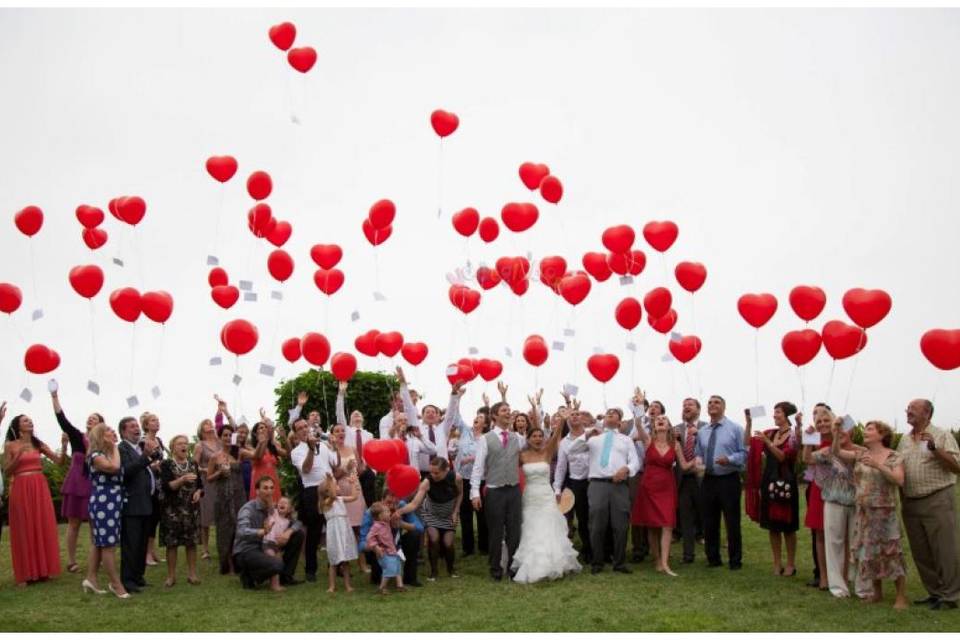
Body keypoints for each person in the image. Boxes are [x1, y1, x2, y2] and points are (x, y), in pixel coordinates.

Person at [830, 420, 908, 609]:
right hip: (864, 512)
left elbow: (899, 480)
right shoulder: (861, 454)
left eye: (870, 429)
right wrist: (836, 433)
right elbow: (837, 452)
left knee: (891, 553)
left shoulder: (893, 456)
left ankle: (901, 597)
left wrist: (878, 465)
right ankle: (877, 592)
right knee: (869, 552)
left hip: (884, 512)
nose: (865, 432)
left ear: (882, 434)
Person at [898, 398, 960, 610]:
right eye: (908, 409)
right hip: (911, 501)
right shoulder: (904, 441)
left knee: (944, 548)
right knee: (920, 550)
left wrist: (935, 449)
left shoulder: (942, 435)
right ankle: (934, 592)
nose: (908, 411)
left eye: (913, 408)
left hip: (937, 498)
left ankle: (951, 595)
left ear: (927, 413)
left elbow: (956, 467)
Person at [512, 394, 580, 583]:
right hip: (530, 496)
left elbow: (557, 434)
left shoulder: (547, 452)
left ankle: (553, 563)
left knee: (548, 527)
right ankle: (530, 562)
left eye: (540, 436)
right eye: (534, 436)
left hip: (545, 495)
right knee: (531, 528)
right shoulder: (522, 455)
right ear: (528, 438)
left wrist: (563, 419)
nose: (537, 438)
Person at [804, 414, 871, 599]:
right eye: (836, 431)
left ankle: (861, 586)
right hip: (833, 502)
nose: (839, 433)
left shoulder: (861, 451)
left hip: (857, 503)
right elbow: (807, 459)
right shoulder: (826, 451)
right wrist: (809, 440)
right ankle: (838, 587)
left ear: (851, 431)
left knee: (858, 544)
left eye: (843, 430)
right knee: (834, 545)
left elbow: (845, 456)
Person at [569, 403, 641, 575]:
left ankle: (619, 562)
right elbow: (573, 450)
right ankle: (597, 562)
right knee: (596, 525)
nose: (610, 414)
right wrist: (587, 434)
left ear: (619, 422)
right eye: (608, 412)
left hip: (619, 486)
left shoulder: (626, 440)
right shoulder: (594, 438)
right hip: (597, 485)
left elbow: (635, 462)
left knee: (621, 525)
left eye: (614, 413)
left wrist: (627, 469)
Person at [3, 406, 65, 585]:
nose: (29, 422)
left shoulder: (38, 444)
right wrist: (17, 456)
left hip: (39, 486)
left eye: (30, 420)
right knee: (24, 526)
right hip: (21, 486)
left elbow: (59, 462)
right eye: (25, 420)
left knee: (41, 523)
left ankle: (43, 570)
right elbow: (7, 470)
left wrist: (64, 444)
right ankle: (26, 572)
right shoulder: (10, 445)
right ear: (17, 426)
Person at [631, 416, 695, 576]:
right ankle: (657, 560)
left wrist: (695, 461)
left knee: (667, 524)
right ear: (654, 425)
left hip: (667, 487)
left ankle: (665, 563)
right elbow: (638, 424)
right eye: (658, 419)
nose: (660, 420)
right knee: (652, 526)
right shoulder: (647, 441)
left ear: (669, 426)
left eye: (664, 419)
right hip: (649, 487)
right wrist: (638, 407)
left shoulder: (676, 445)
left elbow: (685, 466)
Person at [470, 399, 525, 581]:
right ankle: (495, 568)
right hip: (494, 491)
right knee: (495, 532)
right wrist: (475, 493)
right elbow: (478, 467)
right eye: (504, 410)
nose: (508, 413)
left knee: (515, 532)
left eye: (509, 410)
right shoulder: (485, 439)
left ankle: (513, 567)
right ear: (494, 415)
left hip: (514, 490)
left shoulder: (518, 438)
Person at [745, 402, 801, 577]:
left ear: (787, 416)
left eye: (778, 412)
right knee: (773, 527)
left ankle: (791, 564)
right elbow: (748, 442)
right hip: (769, 482)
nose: (775, 415)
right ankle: (777, 563)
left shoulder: (792, 436)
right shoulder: (771, 432)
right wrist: (749, 423)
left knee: (788, 527)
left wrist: (768, 443)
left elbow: (784, 456)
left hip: (786, 484)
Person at [50, 385, 101, 574]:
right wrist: (54, 396)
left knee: (96, 522)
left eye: (95, 419)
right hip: (77, 481)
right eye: (89, 418)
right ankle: (71, 561)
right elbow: (62, 420)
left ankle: (99, 556)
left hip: (95, 483)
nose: (90, 419)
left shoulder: (105, 443)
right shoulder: (77, 436)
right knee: (74, 523)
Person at [695, 395, 746, 570]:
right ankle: (713, 558)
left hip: (728, 479)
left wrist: (730, 459)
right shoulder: (703, 431)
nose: (712, 405)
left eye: (716, 402)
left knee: (732, 521)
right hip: (708, 480)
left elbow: (744, 453)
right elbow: (698, 452)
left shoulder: (735, 429)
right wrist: (698, 461)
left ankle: (735, 560)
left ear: (724, 407)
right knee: (709, 521)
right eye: (709, 402)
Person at [288, 416, 340, 583]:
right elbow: (306, 469)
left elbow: (336, 464)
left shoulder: (323, 445)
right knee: (315, 531)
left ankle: (337, 566)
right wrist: (311, 449)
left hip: (330, 488)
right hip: (312, 491)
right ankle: (311, 570)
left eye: (305, 426)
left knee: (334, 527)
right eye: (300, 428)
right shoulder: (296, 452)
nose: (304, 429)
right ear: (296, 434)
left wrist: (336, 448)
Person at [233, 476, 305, 589]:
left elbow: (297, 523)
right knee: (277, 564)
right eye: (265, 488)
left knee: (298, 534)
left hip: (266, 546)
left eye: (271, 488)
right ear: (257, 491)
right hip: (247, 549)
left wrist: (288, 532)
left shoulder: (273, 508)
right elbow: (241, 531)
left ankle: (285, 577)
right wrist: (261, 532)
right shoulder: (248, 509)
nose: (269, 491)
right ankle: (249, 575)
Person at [83, 423, 129, 598]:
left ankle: (91, 578)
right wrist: (115, 447)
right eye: (109, 431)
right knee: (108, 545)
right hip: (104, 502)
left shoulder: (106, 454)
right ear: (101, 436)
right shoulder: (96, 455)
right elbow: (113, 468)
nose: (113, 432)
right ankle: (116, 585)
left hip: (112, 500)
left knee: (99, 542)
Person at [118, 415, 158, 593]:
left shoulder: (139, 448)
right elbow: (127, 471)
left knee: (142, 543)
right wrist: (145, 457)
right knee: (131, 544)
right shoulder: (122, 449)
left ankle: (138, 576)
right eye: (132, 427)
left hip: (145, 502)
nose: (137, 429)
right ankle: (127, 580)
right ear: (123, 431)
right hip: (132, 504)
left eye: (137, 426)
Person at [159, 434, 203, 587]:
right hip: (172, 510)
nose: (183, 446)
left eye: (185, 443)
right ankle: (171, 576)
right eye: (179, 444)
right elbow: (167, 486)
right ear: (172, 447)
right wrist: (182, 480)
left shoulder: (193, 464)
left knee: (191, 543)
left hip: (191, 510)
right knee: (172, 544)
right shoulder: (167, 464)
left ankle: (192, 574)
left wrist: (199, 493)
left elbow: (200, 486)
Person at [359, 489, 426, 588]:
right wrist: (375, 547)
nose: (392, 507)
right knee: (377, 579)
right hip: (379, 548)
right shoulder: (372, 512)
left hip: (396, 545)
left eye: (396, 503)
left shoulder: (402, 507)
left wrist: (402, 524)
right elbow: (361, 543)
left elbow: (420, 528)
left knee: (414, 536)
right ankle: (378, 575)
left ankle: (410, 578)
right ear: (382, 500)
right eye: (388, 503)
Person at [329, 422, 369, 573]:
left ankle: (362, 564)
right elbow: (332, 475)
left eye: (342, 431)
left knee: (359, 527)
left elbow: (358, 470)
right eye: (337, 431)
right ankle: (343, 565)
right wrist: (346, 468)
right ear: (332, 434)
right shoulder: (330, 451)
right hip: (341, 491)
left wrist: (361, 467)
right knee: (344, 528)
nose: (340, 433)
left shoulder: (352, 449)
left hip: (355, 487)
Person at [554, 405, 592, 564]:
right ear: (568, 419)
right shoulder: (564, 442)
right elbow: (561, 466)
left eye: (577, 414)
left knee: (596, 517)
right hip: (576, 482)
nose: (575, 416)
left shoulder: (593, 435)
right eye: (572, 415)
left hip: (594, 481)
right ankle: (588, 549)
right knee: (582, 519)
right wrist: (557, 487)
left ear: (583, 418)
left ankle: (602, 549)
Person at [207, 422, 246, 574]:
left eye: (230, 435)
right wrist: (219, 473)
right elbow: (209, 478)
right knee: (224, 530)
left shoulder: (238, 453)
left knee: (239, 528)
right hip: (223, 495)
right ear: (220, 437)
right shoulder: (215, 457)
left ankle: (239, 562)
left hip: (239, 494)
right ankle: (226, 564)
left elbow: (256, 455)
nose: (228, 438)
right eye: (225, 435)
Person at [802, 404, 833, 589]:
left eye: (825, 419)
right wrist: (808, 438)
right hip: (818, 489)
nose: (822, 423)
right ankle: (823, 576)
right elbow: (806, 459)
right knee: (819, 534)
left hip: (839, 491)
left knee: (838, 535)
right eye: (818, 420)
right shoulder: (815, 439)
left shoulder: (842, 436)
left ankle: (839, 575)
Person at [419, 456, 463, 581]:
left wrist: (456, 511)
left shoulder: (456, 478)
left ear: (446, 470)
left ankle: (451, 570)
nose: (433, 475)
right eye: (431, 472)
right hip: (431, 513)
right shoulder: (427, 481)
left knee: (448, 543)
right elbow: (417, 501)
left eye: (436, 472)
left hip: (449, 515)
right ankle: (433, 572)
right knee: (434, 539)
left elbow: (460, 494)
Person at [675, 397, 707, 563]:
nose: (686, 407)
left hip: (702, 478)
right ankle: (688, 555)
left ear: (698, 409)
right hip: (683, 480)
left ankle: (711, 553)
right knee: (685, 518)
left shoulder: (707, 427)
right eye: (684, 404)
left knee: (707, 515)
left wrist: (700, 435)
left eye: (690, 404)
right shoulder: (675, 429)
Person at [336, 382, 377, 507]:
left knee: (369, 499)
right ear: (349, 420)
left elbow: (374, 455)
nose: (357, 414)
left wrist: (374, 471)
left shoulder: (369, 435)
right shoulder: (346, 430)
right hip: (350, 470)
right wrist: (341, 394)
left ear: (363, 419)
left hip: (366, 471)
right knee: (354, 500)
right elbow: (340, 413)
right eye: (354, 414)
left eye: (359, 414)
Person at [454, 411, 489, 556]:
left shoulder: (486, 439)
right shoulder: (465, 431)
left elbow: (488, 458)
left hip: (480, 480)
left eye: (481, 417)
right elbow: (456, 417)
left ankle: (484, 546)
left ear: (485, 424)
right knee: (465, 513)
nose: (477, 418)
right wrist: (457, 396)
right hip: (463, 479)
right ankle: (468, 548)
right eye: (477, 416)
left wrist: (475, 458)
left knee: (482, 514)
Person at [319, 472, 361, 592]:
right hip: (334, 533)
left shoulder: (340, 499)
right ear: (328, 490)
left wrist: (353, 483)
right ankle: (332, 586)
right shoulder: (326, 503)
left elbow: (354, 497)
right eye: (335, 485)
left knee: (345, 561)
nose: (338, 487)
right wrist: (329, 479)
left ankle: (348, 585)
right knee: (333, 561)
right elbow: (332, 497)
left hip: (344, 530)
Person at [194, 408, 223, 560]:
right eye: (206, 423)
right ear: (201, 429)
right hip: (207, 482)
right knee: (206, 516)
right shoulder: (200, 445)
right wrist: (206, 469)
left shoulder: (219, 443)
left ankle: (222, 545)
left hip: (220, 480)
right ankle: (205, 549)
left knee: (220, 514)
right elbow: (194, 465)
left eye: (211, 423)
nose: (210, 424)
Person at [139, 411, 166, 567]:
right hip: (148, 483)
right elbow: (141, 461)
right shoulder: (142, 442)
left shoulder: (159, 440)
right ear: (146, 425)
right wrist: (152, 466)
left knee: (155, 517)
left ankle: (152, 551)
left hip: (159, 483)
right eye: (153, 420)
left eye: (157, 420)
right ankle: (146, 554)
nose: (157, 422)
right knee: (148, 519)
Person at [244, 409, 287, 502]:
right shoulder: (249, 447)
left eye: (265, 427)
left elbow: (287, 454)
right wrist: (262, 442)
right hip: (259, 483)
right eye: (261, 428)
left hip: (273, 482)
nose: (264, 429)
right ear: (255, 433)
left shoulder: (272, 447)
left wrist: (284, 438)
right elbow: (258, 456)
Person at [262, 496, 301, 592]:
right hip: (267, 543)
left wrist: (288, 532)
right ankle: (274, 585)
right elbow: (269, 504)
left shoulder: (288, 521)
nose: (282, 504)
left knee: (279, 563)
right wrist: (271, 501)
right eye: (280, 502)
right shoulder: (273, 513)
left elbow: (299, 523)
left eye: (285, 503)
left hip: (276, 546)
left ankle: (279, 582)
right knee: (273, 560)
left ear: (290, 509)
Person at [366, 502, 406, 595]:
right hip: (385, 553)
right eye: (387, 511)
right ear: (380, 516)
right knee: (389, 569)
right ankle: (381, 588)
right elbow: (369, 537)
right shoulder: (376, 526)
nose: (389, 513)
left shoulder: (386, 522)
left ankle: (400, 585)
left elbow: (394, 520)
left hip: (392, 551)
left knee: (397, 567)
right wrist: (376, 547)